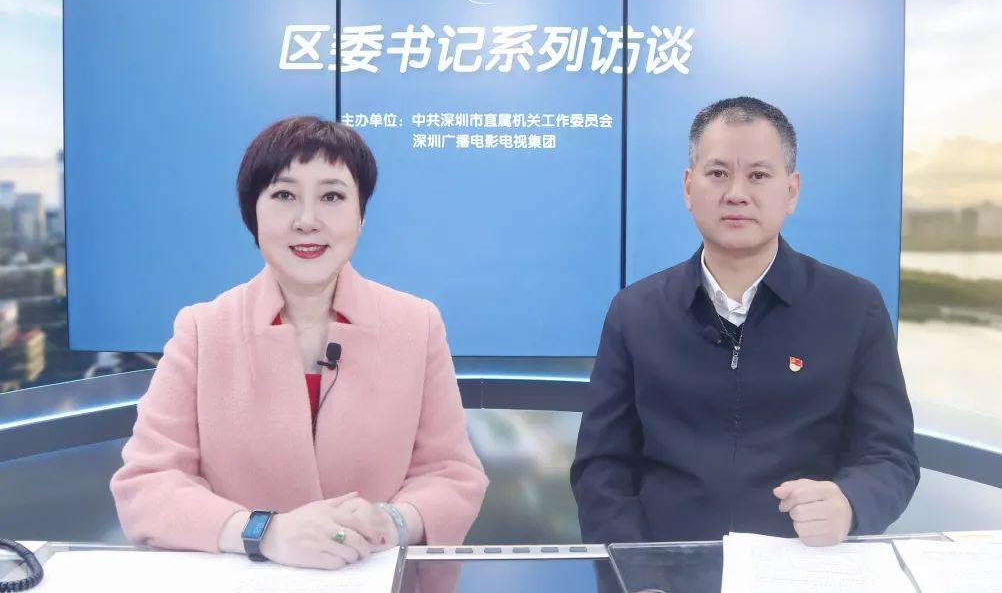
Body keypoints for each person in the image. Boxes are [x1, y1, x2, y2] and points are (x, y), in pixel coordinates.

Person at [111, 116, 488, 569]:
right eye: (284, 196)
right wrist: (262, 531)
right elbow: (148, 483)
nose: (307, 221)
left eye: (332, 197)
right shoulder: (202, 330)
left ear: (361, 214)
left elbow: (451, 474)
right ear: (253, 213)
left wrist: (391, 521)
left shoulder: (416, 324)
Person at [571, 97, 918, 546]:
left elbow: (891, 456)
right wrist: (639, 568)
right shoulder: (635, 312)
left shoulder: (853, 308)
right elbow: (601, 467)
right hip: (667, 569)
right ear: (688, 187)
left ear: (791, 191)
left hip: (804, 565)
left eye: (758, 175)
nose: (736, 193)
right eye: (718, 173)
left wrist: (851, 503)